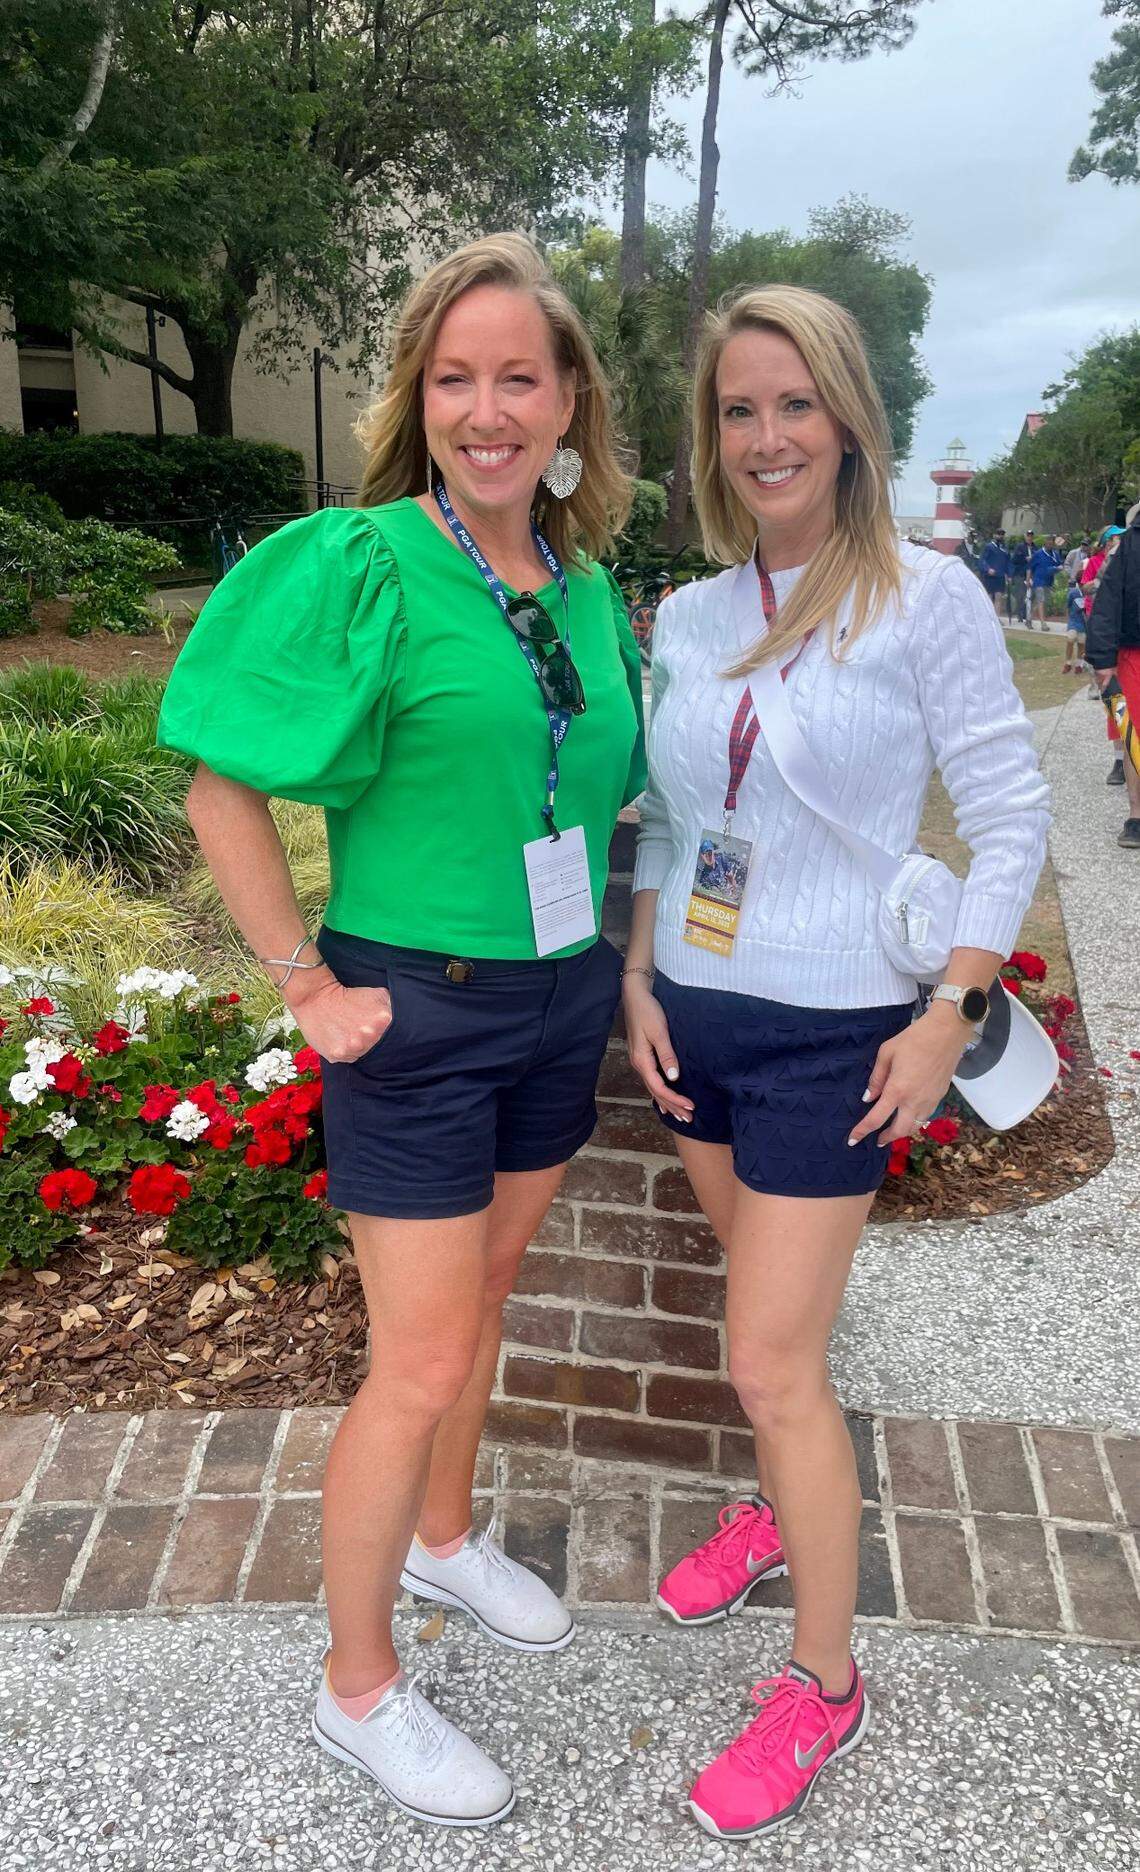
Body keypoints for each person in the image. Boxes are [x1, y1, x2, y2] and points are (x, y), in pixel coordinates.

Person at [156, 233, 647, 1828]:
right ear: (418, 399)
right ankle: (356, 1689)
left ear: (570, 399)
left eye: (520, 376)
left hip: (557, 992)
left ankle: (447, 1538)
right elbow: (220, 777)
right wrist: (302, 975)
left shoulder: (579, 587)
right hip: (415, 1012)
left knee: (493, 1292)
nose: (488, 409)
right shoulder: (365, 557)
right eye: (456, 378)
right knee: (420, 1356)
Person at [622, 283, 1050, 1842]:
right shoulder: (688, 616)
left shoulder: (922, 600)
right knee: (769, 1321)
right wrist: (640, 974)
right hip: (701, 1020)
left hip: (839, 1038)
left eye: (795, 404)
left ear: (849, 417)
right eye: (740, 410)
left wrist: (946, 1014)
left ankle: (825, 1677)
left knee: (768, 1360)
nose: (767, 436)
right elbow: (673, 822)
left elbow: (1011, 818)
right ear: (710, 435)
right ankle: (772, 1509)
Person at [1087, 509, 1140, 846]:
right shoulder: (1131, 542)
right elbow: (1106, 601)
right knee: (1131, 732)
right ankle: (1136, 816)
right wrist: (1102, 660)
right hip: (1131, 652)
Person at [1083, 527, 1126, 781]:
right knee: (1117, 701)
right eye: (1114, 538)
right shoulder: (1117, 558)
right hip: (1120, 643)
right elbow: (1099, 599)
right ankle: (1120, 761)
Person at [1062, 537, 1088, 672]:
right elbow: (1068, 606)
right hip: (1073, 622)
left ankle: (1079, 664)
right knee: (1070, 640)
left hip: (1083, 623)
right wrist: (1071, 574)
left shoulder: (1088, 594)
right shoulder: (1073, 593)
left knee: (1082, 643)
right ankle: (1067, 662)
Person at [1029, 533, 1062, 629]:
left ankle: (1029, 618)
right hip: (1039, 581)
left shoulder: (1055, 554)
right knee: (1041, 601)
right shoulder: (1038, 554)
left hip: (1048, 582)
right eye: (1048, 542)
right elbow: (1030, 567)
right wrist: (1028, 579)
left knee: (1042, 602)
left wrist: (1057, 568)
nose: (1050, 544)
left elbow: (1060, 565)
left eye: (1051, 542)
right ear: (1045, 543)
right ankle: (1043, 624)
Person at [978, 526, 1011, 619]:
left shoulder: (1005, 548)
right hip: (989, 576)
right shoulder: (989, 546)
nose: (1000, 536)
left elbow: (1008, 562)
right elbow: (982, 560)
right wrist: (988, 569)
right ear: (994, 535)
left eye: (1002, 534)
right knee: (988, 597)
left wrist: (1009, 575)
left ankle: (997, 618)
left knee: (999, 597)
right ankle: (987, 618)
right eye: (999, 534)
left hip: (1000, 576)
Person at [1008, 530, 1033, 625]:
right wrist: (1024, 558)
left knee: (1030, 595)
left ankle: (1026, 614)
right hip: (1020, 574)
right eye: (1028, 535)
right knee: (1021, 595)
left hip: (1031, 575)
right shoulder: (1020, 547)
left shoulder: (1035, 547)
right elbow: (1014, 559)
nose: (1029, 537)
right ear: (1025, 536)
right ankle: (1020, 614)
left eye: (1031, 536)